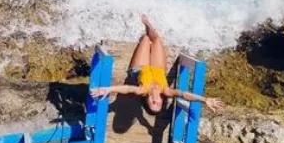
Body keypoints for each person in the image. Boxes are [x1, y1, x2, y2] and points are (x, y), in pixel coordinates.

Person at [90, 14, 224, 114]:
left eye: (152, 104)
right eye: (158, 104)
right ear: (161, 101)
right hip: (158, 68)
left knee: (146, 39)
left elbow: (127, 89)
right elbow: (184, 95)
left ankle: (144, 32)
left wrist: (108, 89)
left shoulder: (143, 91)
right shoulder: (166, 91)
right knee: (156, 38)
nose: (155, 101)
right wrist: (204, 99)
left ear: (147, 101)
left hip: (139, 68)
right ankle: (147, 24)